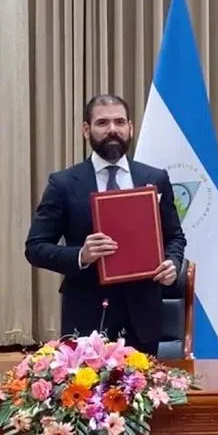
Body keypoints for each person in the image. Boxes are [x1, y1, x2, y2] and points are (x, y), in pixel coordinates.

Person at [24, 93, 186, 355]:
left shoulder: (155, 178)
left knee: (143, 382)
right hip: (86, 314)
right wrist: (81, 255)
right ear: (86, 130)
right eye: (102, 123)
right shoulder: (63, 184)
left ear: (130, 128)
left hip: (143, 316)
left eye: (119, 122)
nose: (112, 129)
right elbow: (35, 248)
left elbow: (175, 237)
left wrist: (172, 262)